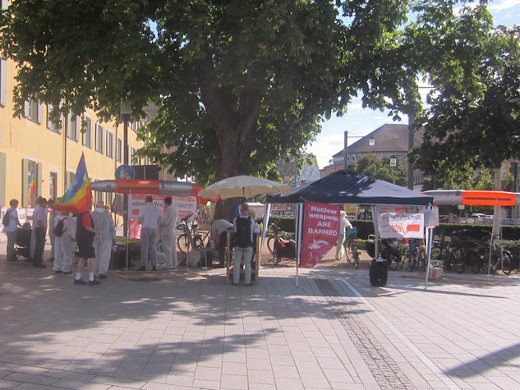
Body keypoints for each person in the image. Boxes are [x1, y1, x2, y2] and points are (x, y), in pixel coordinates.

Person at [74, 200, 101, 285]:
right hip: (85, 238)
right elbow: (87, 227)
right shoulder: (85, 214)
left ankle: (77, 278)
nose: (91, 205)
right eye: (90, 204)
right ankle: (91, 278)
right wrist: (96, 232)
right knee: (92, 257)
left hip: (81, 237)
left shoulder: (80, 213)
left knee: (83, 257)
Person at [232, 203, 256, 286]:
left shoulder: (236, 219)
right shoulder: (252, 220)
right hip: (248, 245)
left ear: (240, 210)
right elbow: (252, 231)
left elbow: (235, 231)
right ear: (248, 211)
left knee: (237, 262)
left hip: (238, 244)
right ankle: (247, 281)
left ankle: (235, 281)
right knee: (248, 263)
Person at [92, 200, 116, 279]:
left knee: (94, 255)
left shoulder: (92, 214)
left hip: (94, 237)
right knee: (104, 255)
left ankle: (93, 271)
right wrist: (114, 238)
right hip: (105, 238)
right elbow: (112, 227)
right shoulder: (107, 215)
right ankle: (102, 272)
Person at [137, 195, 161, 271]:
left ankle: (144, 265)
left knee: (144, 247)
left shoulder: (144, 208)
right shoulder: (157, 209)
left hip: (145, 228)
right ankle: (154, 265)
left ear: (146, 200)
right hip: (154, 229)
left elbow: (139, 220)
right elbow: (160, 220)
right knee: (153, 247)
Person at [158, 196, 178, 270]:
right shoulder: (175, 210)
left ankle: (169, 264)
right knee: (173, 249)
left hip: (167, 231)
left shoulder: (168, 210)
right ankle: (174, 264)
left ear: (165, 202)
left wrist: (160, 222)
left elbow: (166, 222)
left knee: (167, 249)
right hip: (173, 230)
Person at [31, 197, 48, 268]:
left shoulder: (37, 208)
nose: (46, 205)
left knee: (38, 245)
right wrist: (43, 227)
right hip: (40, 229)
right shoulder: (40, 210)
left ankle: (36, 261)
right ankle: (37, 262)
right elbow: (39, 220)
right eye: (45, 204)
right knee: (39, 246)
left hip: (37, 228)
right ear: (42, 203)